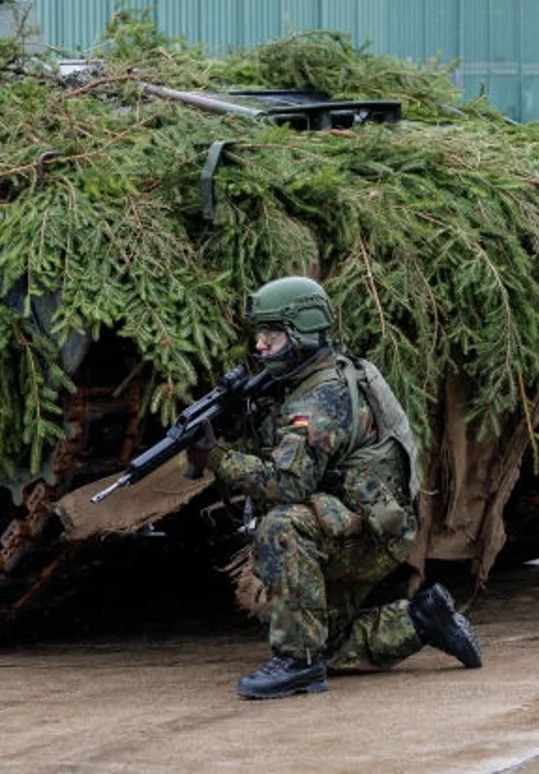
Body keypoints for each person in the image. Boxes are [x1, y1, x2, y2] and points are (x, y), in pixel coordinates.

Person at [194, 275, 483, 700]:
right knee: (327, 640)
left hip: (370, 532)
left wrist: (215, 458)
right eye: (260, 335)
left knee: (283, 526)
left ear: (300, 334)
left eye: (271, 336)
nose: (260, 346)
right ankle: (423, 620)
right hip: (364, 517)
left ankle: (299, 665)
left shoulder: (321, 398)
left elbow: (287, 483)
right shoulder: (323, 374)